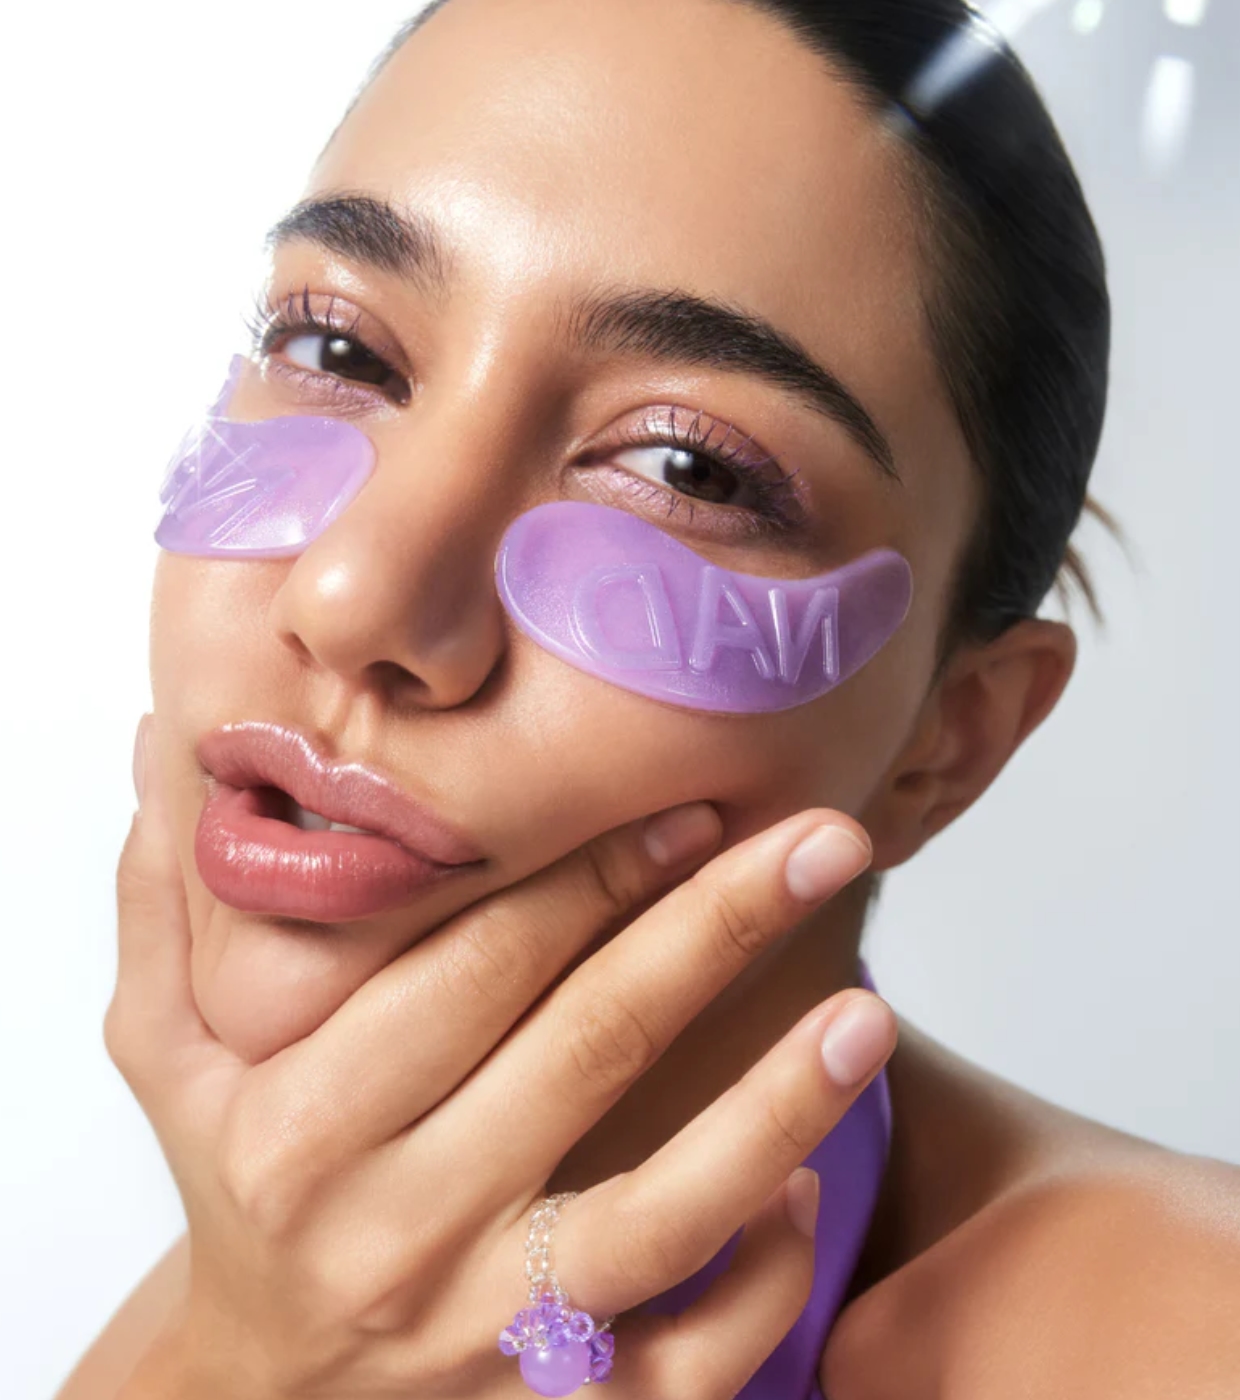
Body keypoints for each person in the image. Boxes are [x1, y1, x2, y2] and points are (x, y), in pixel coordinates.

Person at [56, 1, 1240, 1397]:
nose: (353, 598)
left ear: (952, 742)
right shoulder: (235, 1310)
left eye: (687, 469)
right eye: (336, 352)